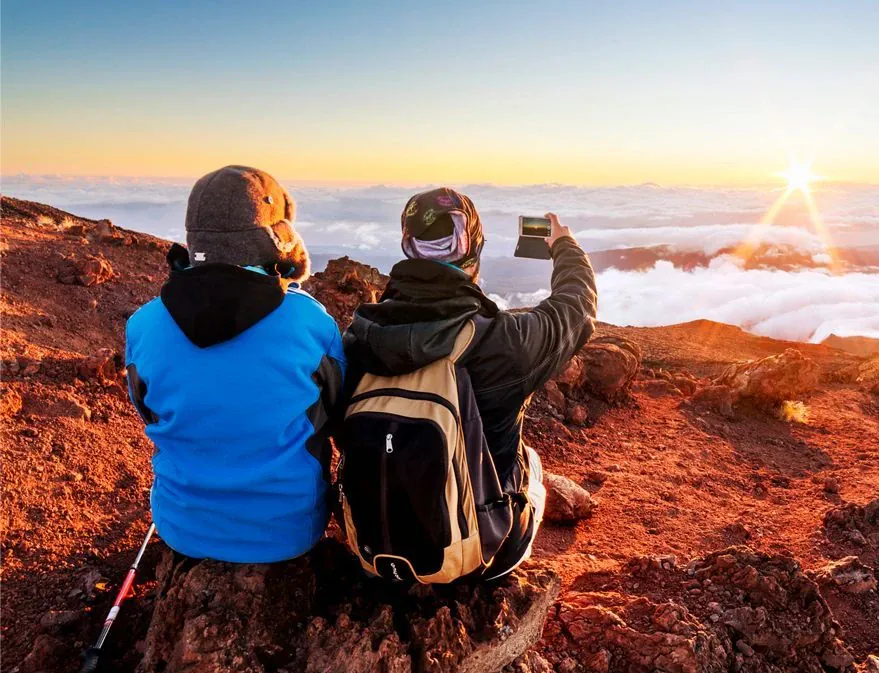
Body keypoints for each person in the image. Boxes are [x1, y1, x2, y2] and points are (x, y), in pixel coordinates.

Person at [343, 187, 596, 579]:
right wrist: (564, 246)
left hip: (373, 551)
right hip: (480, 557)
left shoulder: (359, 336)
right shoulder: (502, 341)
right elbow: (576, 309)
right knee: (530, 461)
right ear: (473, 248)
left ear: (408, 246)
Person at [125, 166, 344, 563]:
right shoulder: (312, 324)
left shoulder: (143, 325)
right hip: (290, 531)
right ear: (277, 238)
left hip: (182, 527)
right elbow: (335, 410)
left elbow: (146, 409)